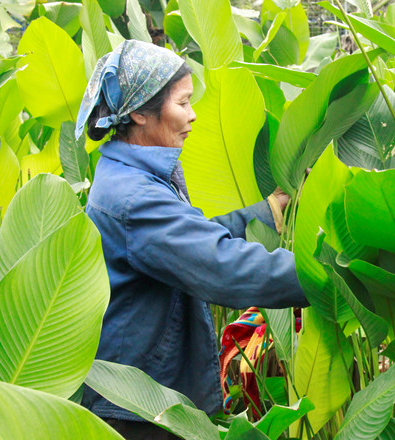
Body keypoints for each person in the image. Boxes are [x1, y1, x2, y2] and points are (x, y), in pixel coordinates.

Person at [75, 40, 308, 440]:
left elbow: (189, 237)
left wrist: (265, 214)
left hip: (143, 390)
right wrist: (332, 276)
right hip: (138, 411)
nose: (194, 114)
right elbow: (221, 267)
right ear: (138, 112)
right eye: (183, 104)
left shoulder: (131, 174)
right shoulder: (134, 197)